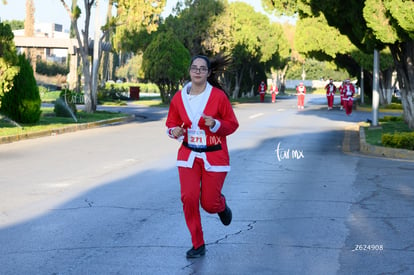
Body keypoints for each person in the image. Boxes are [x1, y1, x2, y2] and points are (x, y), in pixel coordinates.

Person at [165, 55, 239, 258]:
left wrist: (215, 124)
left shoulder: (218, 97)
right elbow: (171, 123)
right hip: (188, 155)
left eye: (202, 68)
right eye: (194, 68)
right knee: (188, 198)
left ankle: (220, 206)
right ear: (190, 71)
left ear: (208, 73)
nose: (197, 71)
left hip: (214, 156)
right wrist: (174, 132)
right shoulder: (179, 98)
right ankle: (198, 244)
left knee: (208, 203)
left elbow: (232, 124)